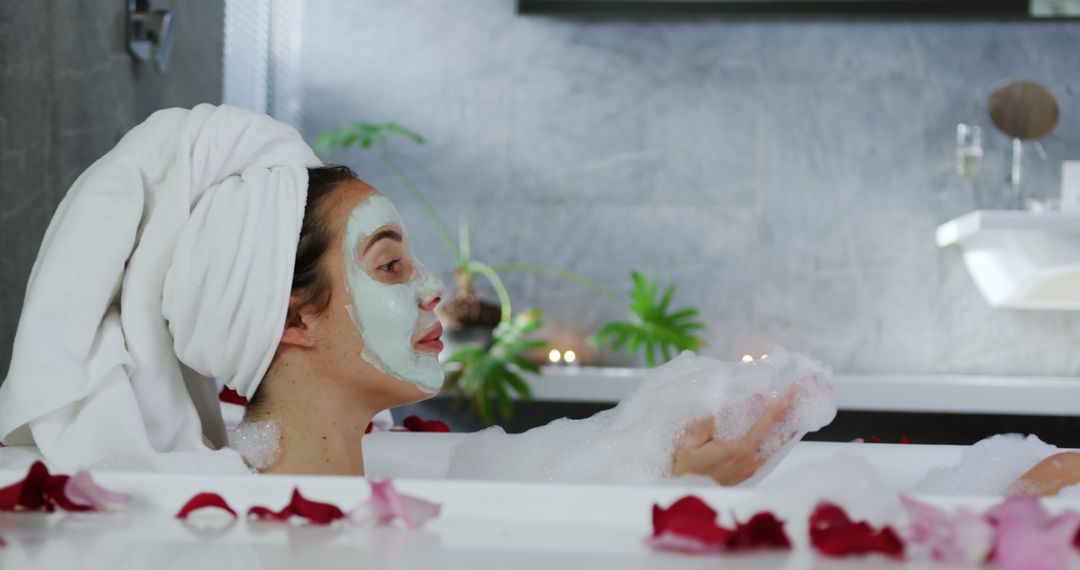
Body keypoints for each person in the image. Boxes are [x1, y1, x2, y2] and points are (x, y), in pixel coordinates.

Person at [0, 104, 796, 484]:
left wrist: (663, 481)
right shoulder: (261, 532)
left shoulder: (414, 483)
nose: (427, 291)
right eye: (388, 266)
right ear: (293, 318)